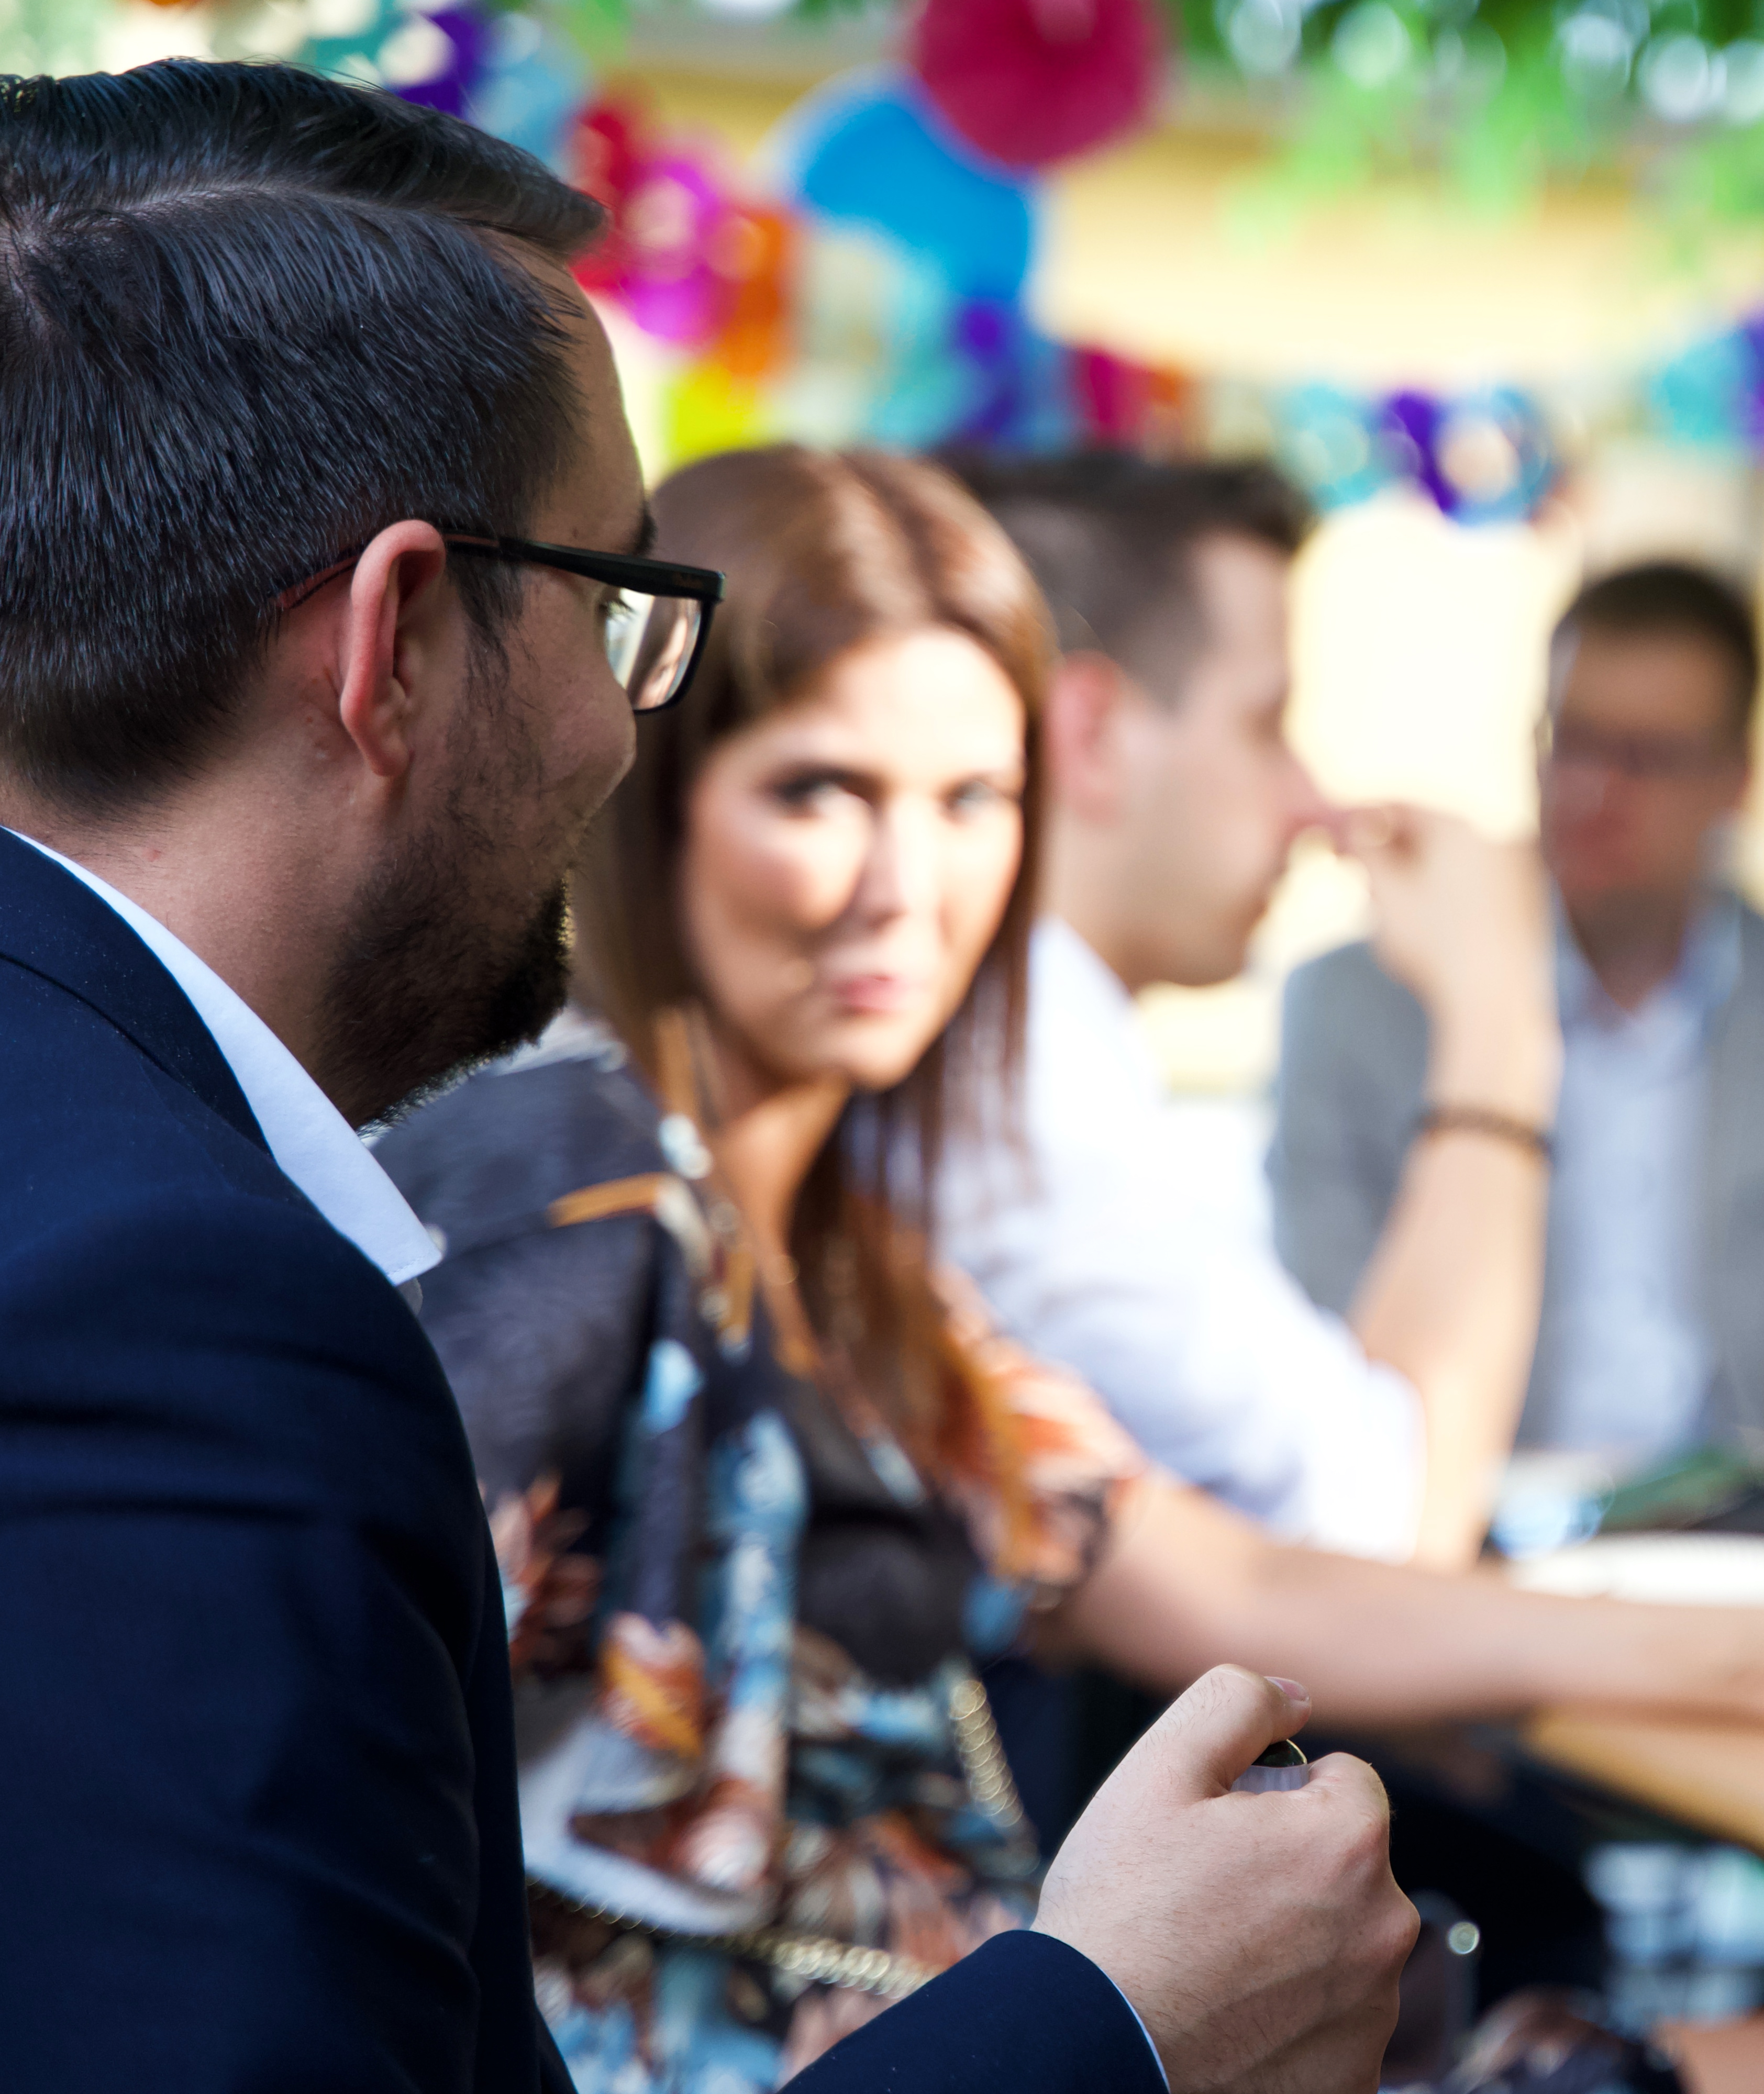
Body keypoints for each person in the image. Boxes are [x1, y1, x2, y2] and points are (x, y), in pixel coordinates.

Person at [0, 59, 1417, 2094]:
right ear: (399, 643)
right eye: (615, 612)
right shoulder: (209, 1306)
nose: (619, 733)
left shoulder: (159, 1193)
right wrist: (1108, 2022)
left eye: (974, 798)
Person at [374, 443, 1764, 2092]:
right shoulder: (578, 1187)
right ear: (658, 791)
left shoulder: (837, 1252)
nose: (911, 889)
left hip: (1001, 2032)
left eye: (973, 803)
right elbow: (346, 1768)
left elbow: (1246, 1587)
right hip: (850, 2060)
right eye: (820, 792)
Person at [929, 450, 1558, 1566]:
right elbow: (1388, 1529)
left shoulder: (1040, 1063)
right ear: (1090, 735)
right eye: (1266, 723)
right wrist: (1500, 1021)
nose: (1313, 803)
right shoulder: (1023, 1110)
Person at [1275, 561, 1764, 1468]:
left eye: (1648, 759)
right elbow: (1330, 1368)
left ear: (1737, 778)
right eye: (1573, 742)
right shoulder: (1359, 1004)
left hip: (1744, 1518)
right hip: (1460, 1508)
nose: (1594, 793)